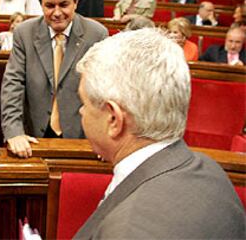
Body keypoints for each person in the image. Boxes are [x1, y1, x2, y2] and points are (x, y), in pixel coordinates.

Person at [73, 28, 246, 239]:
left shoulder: (129, 231)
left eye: (84, 103)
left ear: (114, 120)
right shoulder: (210, 170)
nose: (81, 111)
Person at [0, 0, 108, 158]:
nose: (57, 13)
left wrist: (103, 136)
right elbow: (13, 84)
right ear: (41, 4)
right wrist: (14, 132)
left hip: (81, 136)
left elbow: (105, 91)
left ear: (76, 2)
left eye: (64, 4)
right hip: (34, 135)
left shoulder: (96, 35)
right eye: (50, 5)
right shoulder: (24, 34)